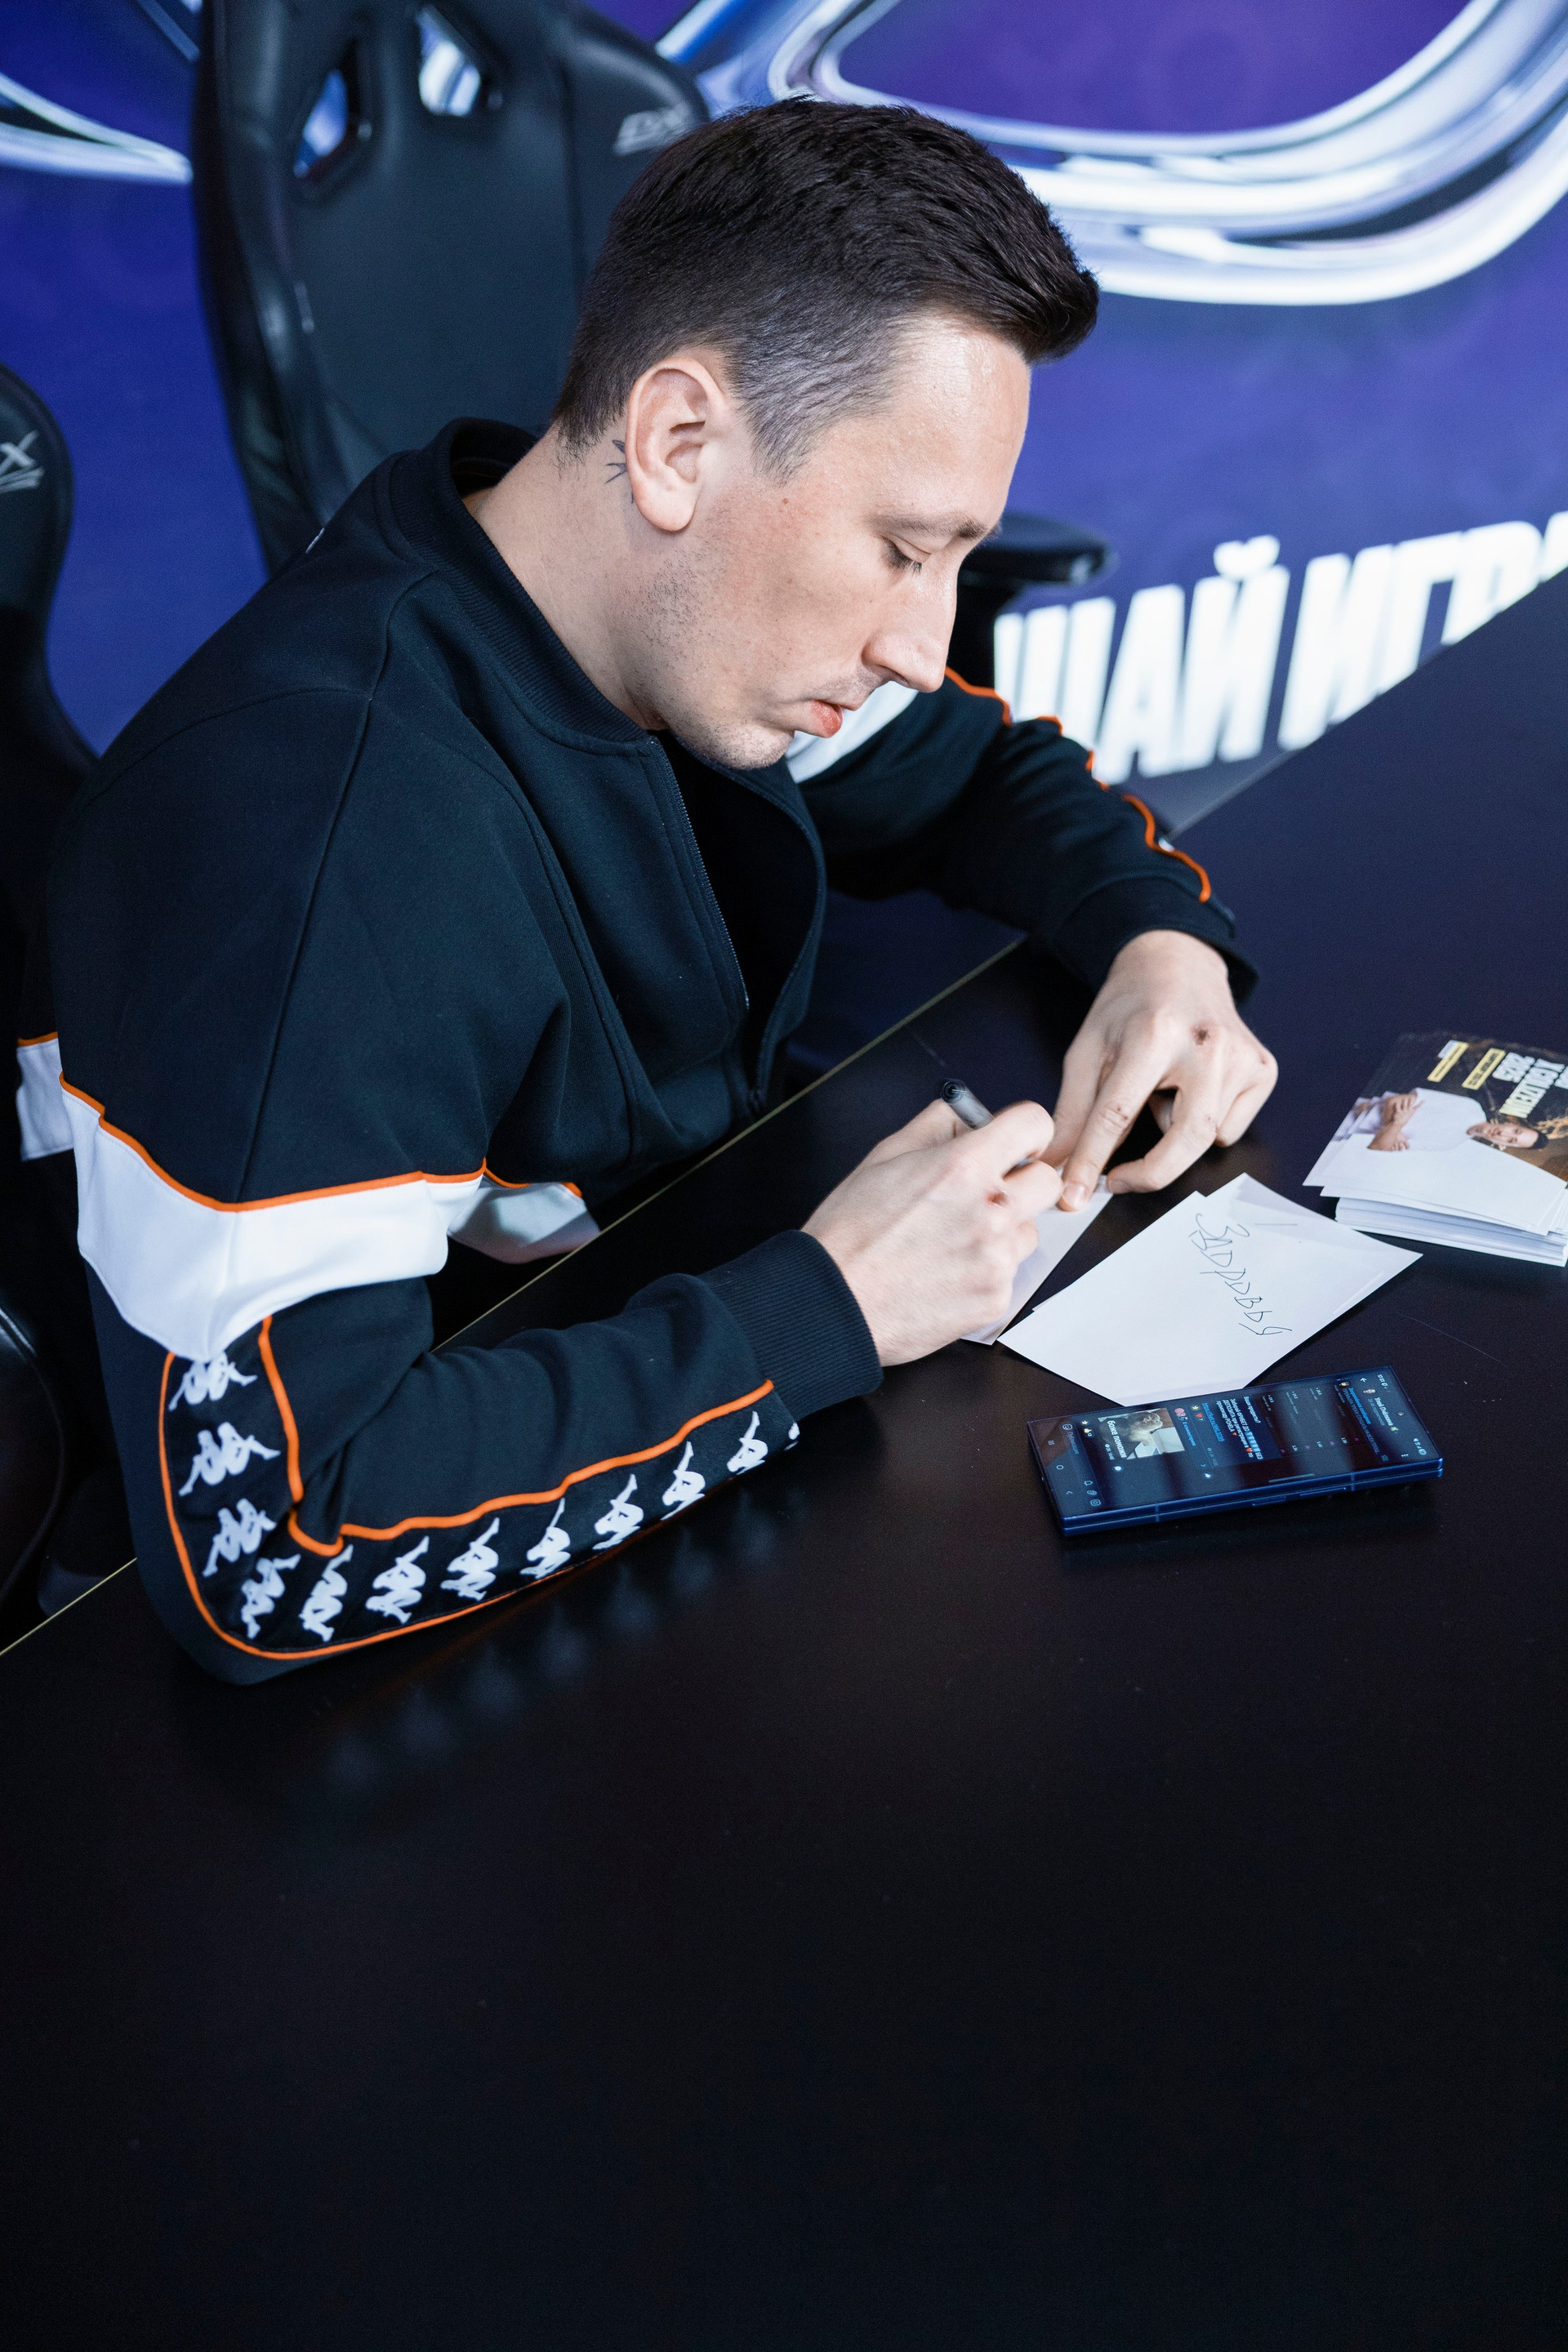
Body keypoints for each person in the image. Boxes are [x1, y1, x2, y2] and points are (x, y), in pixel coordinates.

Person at [26, 101, 1275, 1682]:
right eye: (902, 548)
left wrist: (1159, 944)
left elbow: (977, 772)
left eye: (956, 557)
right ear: (679, 444)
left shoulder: (668, 616)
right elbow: (275, 1544)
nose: (922, 641)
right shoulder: (322, 843)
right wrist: (832, 1301)